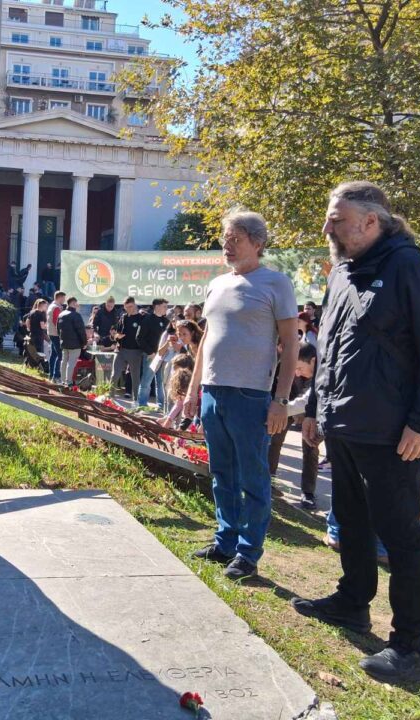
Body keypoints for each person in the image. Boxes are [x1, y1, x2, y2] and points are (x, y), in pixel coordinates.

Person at [293, 181, 420, 682]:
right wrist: (315, 410)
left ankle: (409, 643)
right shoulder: (343, 271)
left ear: (371, 221)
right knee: (349, 520)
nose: (328, 228)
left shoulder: (410, 267)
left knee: (400, 536)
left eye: (337, 219)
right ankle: (352, 600)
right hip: (344, 425)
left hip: (394, 433)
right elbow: (330, 347)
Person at [184, 210, 300, 581]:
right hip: (212, 392)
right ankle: (225, 541)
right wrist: (192, 390)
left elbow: (290, 344)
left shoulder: (276, 283)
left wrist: (280, 400)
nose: (227, 245)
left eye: (235, 239)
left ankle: (248, 552)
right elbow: (205, 339)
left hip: (252, 395)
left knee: (253, 475)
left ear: (258, 243)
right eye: (225, 239)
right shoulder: (217, 284)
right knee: (221, 473)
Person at [267, 342, 319, 508]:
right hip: (287, 404)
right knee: (274, 441)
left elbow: (306, 400)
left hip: (306, 409)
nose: (297, 373)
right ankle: (269, 481)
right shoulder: (283, 360)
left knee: (310, 446)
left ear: (312, 361)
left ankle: (308, 492)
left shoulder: (323, 371)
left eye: (299, 367)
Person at [136, 299, 170, 408]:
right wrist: (150, 352)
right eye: (164, 306)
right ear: (157, 306)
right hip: (151, 356)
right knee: (146, 380)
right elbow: (139, 338)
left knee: (161, 382)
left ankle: (161, 405)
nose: (166, 309)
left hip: (163, 355)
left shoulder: (166, 321)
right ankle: (142, 405)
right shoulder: (147, 319)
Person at [110, 297, 144, 397]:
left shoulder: (141, 318)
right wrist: (117, 336)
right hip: (121, 349)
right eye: (126, 307)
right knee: (115, 374)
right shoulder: (123, 317)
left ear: (134, 305)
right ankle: (110, 396)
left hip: (135, 351)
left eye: (130, 307)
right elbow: (116, 333)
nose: (128, 309)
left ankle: (136, 399)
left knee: (135, 377)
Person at [57, 297, 87, 387]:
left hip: (64, 342)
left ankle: (62, 380)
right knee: (71, 363)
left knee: (64, 361)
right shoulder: (76, 315)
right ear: (73, 303)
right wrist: (84, 342)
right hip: (75, 344)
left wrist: (61, 339)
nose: (78, 305)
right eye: (77, 303)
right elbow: (81, 331)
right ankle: (68, 381)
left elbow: (58, 329)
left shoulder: (61, 314)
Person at [46, 292, 66, 383]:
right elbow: (56, 321)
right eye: (63, 298)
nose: (64, 300)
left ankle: (51, 375)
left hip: (51, 332)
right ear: (60, 297)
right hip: (56, 334)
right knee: (60, 355)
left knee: (54, 355)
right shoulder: (56, 308)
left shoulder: (51, 306)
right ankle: (56, 376)